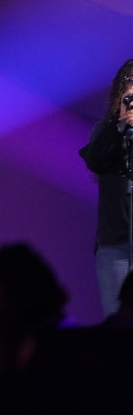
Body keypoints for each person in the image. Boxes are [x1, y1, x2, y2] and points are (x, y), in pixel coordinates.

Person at [79, 58, 133, 316]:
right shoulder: (107, 130)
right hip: (115, 246)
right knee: (118, 324)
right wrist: (120, 126)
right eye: (130, 81)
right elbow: (95, 161)